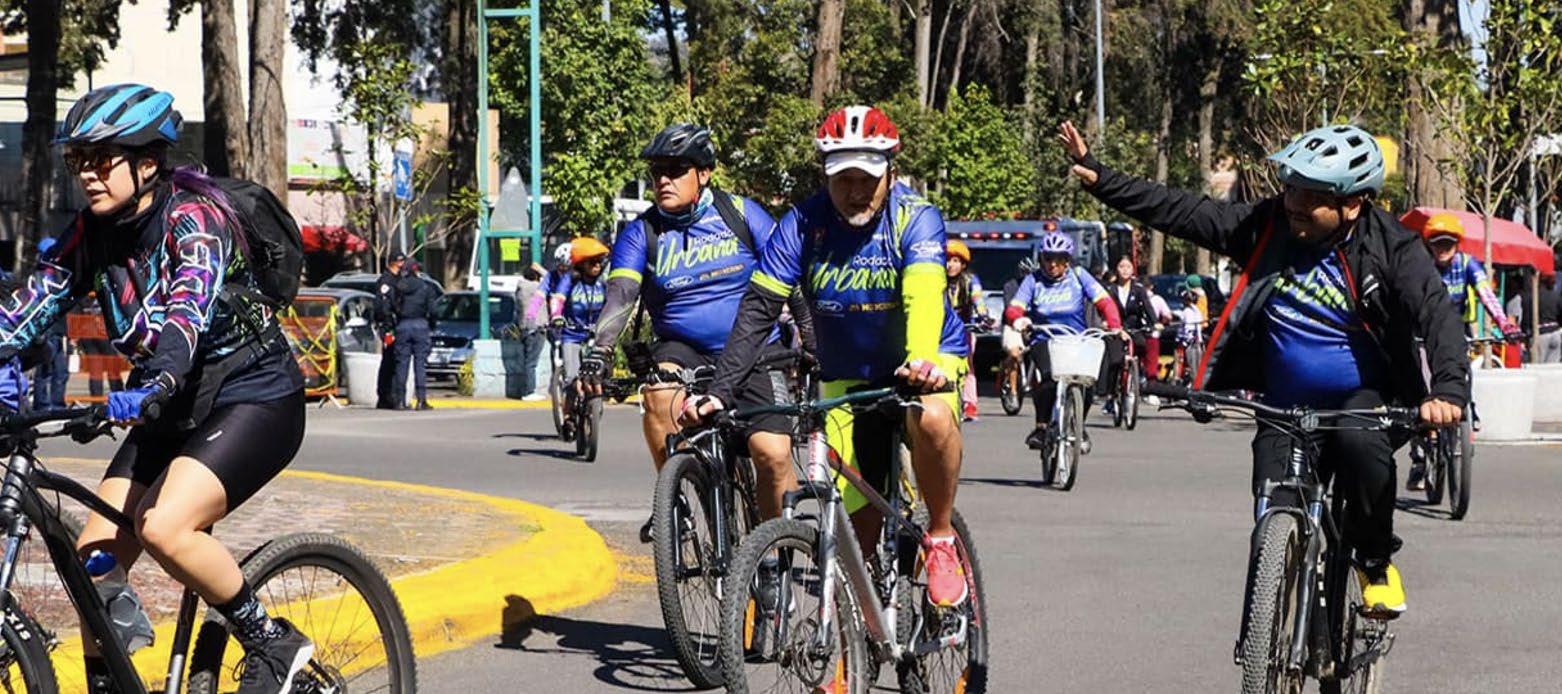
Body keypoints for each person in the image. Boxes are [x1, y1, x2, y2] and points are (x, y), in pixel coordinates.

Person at [1059, 119, 1468, 618]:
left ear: (1352, 204)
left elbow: (1437, 313)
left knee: (1360, 444)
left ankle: (1374, 563)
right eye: (1290, 187)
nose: (1293, 202)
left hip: (1364, 400)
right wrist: (1102, 177)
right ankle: (1266, 633)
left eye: (1310, 195)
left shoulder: (1392, 246)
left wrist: (1448, 390)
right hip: (1285, 404)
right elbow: (1182, 211)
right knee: (1274, 503)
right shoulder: (1267, 225)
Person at [0, 83, 312, 693]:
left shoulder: (194, 220)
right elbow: (25, 312)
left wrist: (156, 382)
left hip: (252, 394)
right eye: (77, 160)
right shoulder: (90, 233)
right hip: (168, 405)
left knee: (163, 525)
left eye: (101, 159)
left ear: (146, 163)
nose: (86, 174)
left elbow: (185, 314)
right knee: (94, 565)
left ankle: (273, 642)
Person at [682, 105, 972, 607]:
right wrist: (721, 392)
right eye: (843, 180)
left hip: (924, 362)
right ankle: (861, 638)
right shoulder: (802, 223)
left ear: (891, 174)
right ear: (824, 176)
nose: (856, 192)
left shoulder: (916, 218)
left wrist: (922, 360)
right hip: (845, 374)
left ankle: (942, 537)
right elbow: (759, 309)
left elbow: (923, 295)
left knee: (930, 417)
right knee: (858, 535)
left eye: (867, 179)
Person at [580, 123, 803, 540]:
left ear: (704, 173)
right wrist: (600, 351)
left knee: (772, 456)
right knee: (657, 392)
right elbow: (621, 295)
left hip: (753, 348)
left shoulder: (742, 214)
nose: (663, 180)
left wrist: (810, 337)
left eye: (675, 170)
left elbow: (790, 276)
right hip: (683, 348)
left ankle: (775, 554)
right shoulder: (642, 232)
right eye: (656, 172)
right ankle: (677, 501)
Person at [1003, 232, 1124, 450]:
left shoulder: (1079, 276)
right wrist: (1018, 319)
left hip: (1076, 339)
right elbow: (1014, 307)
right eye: (1048, 258)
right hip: (1044, 338)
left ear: (1067, 260)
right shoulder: (1033, 280)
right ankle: (1041, 428)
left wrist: (1115, 325)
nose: (1052, 264)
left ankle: (1078, 427)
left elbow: (1105, 302)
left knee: (1087, 383)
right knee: (1049, 379)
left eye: (1058, 259)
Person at [1419, 212, 1522, 339]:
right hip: (1426, 329)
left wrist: (1504, 324)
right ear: (1429, 245)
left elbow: (1486, 294)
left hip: (1458, 326)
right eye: (1437, 244)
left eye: (1448, 244)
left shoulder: (1467, 263)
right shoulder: (1422, 264)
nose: (1442, 250)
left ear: (1457, 245)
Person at [549, 237, 609, 418]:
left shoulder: (602, 282)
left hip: (595, 335)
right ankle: (568, 415)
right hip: (572, 334)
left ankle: (594, 405)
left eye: (599, 262)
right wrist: (556, 316)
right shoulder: (570, 280)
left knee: (599, 375)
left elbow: (613, 303)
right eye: (592, 262)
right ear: (582, 264)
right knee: (572, 379)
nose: (597, 265)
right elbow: (558, 298)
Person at [945, 239, 989, 421]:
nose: (950, 265)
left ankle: (970, 404)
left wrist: (983, 316)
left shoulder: (970, 281)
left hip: (964, 329)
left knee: (968, 366)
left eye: (955, 261)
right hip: (941, 329)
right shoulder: (937, 279)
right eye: (947, 260)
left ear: (963, 264)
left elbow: (978, 299)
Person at [1104, 256, 1155, 413]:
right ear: (1116, 269)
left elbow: (1148, 308)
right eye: (1122, 266)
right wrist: (1106, 324)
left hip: (1134, 330)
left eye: (1128, 267)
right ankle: (1111, 395)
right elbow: (1104, 309)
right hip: (1116, 330)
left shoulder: (1139, 289)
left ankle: (1139, 374)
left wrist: (1155, 323)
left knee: (1142, 346)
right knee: (1115, 361)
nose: (1125, 270)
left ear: (1133, 270)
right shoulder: (1110, 289)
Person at [29, 237, 71, 410]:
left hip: (57, 330)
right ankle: (42, 405)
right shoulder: (38, 277)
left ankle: (56, 404)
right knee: (45, 370)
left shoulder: (59, 275)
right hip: (45, 331)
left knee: (60, 371)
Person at [391, 261, 436, 411]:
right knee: (420, 364)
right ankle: (421, 400)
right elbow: (433, 310)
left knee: (402, 363)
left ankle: (400, 401)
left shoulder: (399, 287)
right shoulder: (425, 287)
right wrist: (432, 325)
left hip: (403, 325)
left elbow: (392, 306)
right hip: (420, 325)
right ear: (416, 271)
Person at [998, 256, 1037, 396]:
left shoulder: (1040, 287)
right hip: (1012, 324)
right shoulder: (1010, 286)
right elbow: (1009, 309)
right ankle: (1013, 390)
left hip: (1033, 324)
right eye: (1026, 274)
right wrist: (1019, 320)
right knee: (1015, 354)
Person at [374, 252, 406, 409]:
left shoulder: (399, 280)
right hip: (389, 326)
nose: (402, 265)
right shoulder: (386, 281)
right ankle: (385, 396)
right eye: (400, 262)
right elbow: (383, 306)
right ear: (393, 263)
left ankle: (391, 395)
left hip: (398, 325)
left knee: (394, 361)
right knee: (389, 361)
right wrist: (387, 326)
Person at [514, 263, 549, 400]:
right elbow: (551, 280)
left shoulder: (521, 288)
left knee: (529, 361)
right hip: (535, 328)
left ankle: (528, 390)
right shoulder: (534, 287)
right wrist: (540, 269)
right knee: (531, 362)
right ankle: (529, 391)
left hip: (526, 328)